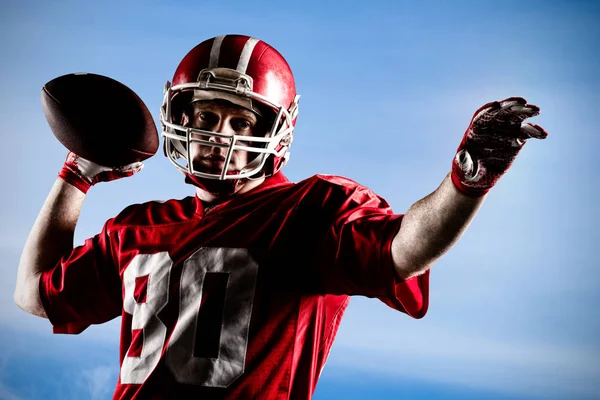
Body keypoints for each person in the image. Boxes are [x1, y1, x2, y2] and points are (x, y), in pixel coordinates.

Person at [13, 34, 547, 399]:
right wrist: (76, 176)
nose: (219, 132)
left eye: (239, 121)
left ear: (276, 132)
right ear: (177, 115)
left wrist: (466, 181)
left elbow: (403, 249)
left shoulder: (311, 210)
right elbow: (35, 294)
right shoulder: (137, 226)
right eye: (204, 115)